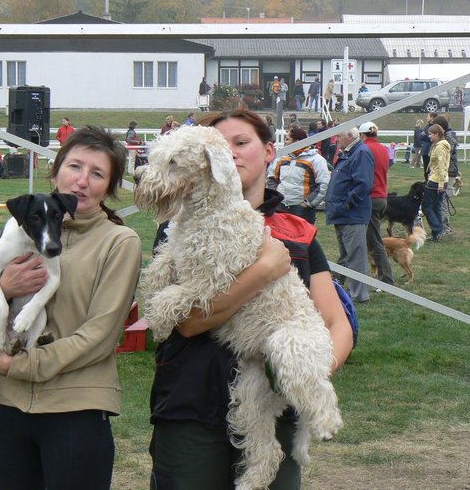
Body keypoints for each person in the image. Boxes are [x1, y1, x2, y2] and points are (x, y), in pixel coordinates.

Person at [148, 108, 354, 490]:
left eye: (241, 143)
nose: (231, 153)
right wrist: (263, 271)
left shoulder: (299, 231)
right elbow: (190, 321)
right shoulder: (176, 228)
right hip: (189, 407)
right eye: (221, 146)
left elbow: (336, 322)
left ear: (269, 151)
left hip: (272, 407)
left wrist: (305, 375)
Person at [0, 126, 141, 489]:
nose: (82, 181)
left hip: (75, 410)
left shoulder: (120, 242)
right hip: (6, 407)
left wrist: (14, 364)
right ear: (54, 173)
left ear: (110, 187)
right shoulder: (16, 232)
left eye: (97, 173)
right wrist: (3, 288)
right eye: (74, 167)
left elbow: (99, 338)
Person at [325, 126, 374, 303]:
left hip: (352, 215)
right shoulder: (350, 152)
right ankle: (343, 289)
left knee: (356, 257)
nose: (337, 140)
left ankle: (359, 295)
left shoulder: (360, 153)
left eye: (339, 136)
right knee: (347, 255)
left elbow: (363, 185)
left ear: (350, 136)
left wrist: (346, 204)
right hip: (343, 214)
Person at [267, 126, 330, 225]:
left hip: (301, 209)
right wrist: (276, 198)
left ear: (297, 141)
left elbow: (323, 184)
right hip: (281, 206)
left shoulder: (316, 160)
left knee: (302, 240)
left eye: (287, 139)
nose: (284, 142)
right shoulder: (281, 158)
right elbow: (271, 178)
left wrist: (307, 203)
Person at [360, 122, 395, 288]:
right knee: (369, 239)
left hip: (371, 197)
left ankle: (386, 279)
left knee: (374, 241)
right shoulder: (383, 149)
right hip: (382, 196)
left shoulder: (364, 150)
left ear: (362, 135)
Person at [421, 124, 451, 242]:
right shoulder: (441, 145)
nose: (429, 136)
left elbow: (442, 165)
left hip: (436, 180)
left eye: (431, 134)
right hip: (440, 179)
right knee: (436, 206)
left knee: (426, 207)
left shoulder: (439, 147)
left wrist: (440, 183)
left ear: (437, 134)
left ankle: (437, 229)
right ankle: (437, 232)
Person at [421, 112, 437, 180]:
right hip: (425, 150)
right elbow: (421, 136)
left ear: (432, 118)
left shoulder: (435, 127)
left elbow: (431, 139)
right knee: (426, 170)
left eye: (428, 116)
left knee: (431, 169)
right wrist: (424, 135)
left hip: (431, 151)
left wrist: (425, 136)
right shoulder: (426, 126)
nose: (427, 118)